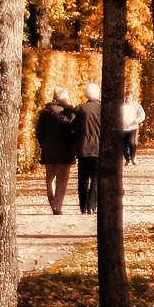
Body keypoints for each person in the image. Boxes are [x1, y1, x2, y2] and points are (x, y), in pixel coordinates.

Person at [34, 89, 80, 215]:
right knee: (62, 179)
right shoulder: (69, 114)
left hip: (48, 149)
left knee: (50, 177)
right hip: (65, 149)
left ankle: (52, 202)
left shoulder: (45, 112)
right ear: (65, 98)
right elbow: (74, 131)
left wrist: (43, 144)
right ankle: (57, 206)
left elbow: (39, 132)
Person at [76, 83, 103, 216]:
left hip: (83, 147)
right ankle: (92, 205)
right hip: (98, 147)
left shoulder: (80, 109)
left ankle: (83, 205)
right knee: (96, 177)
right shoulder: (103, 109)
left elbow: (74, 127)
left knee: (83, 178)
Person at [119, 95, 146, 165]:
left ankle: (133, 157)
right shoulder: (121, 105)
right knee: (123, 146)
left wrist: (137, 121)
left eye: (130, 98)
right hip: (123, 128)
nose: (128, 99)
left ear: (132, 98)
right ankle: (127, 159)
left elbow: (142, 115)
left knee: (131, 142)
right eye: (127, 98)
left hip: (132, 127)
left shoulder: (136, 105)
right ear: (125, 98)